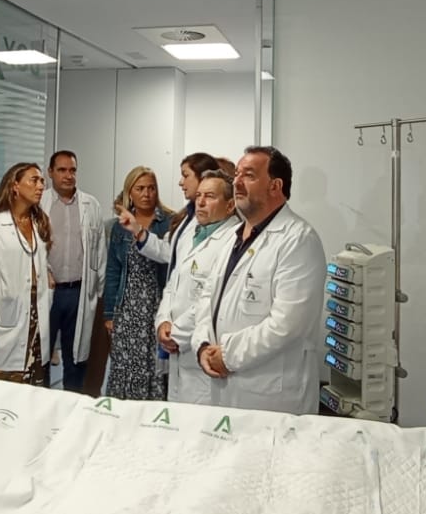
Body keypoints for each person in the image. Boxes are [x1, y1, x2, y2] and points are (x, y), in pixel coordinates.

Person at [191, 146, 328, 414]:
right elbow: (207, 298)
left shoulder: (298, 239)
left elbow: (288, 324)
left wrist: (227, 355)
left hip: (271, 395)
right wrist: (203, 346)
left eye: (249, 175)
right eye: (237, 174)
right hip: (224, 387)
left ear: (275, 186)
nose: (237, 182)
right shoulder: (233, 237)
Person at [0, 162, 54, 386]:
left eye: (42, 181)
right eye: (34, 180)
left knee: (31, 388)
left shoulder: (39, 224)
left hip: (35, 319)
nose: (40, 186)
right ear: (15, 186)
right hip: (2, 321)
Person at [160, 170, 240, 404]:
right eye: (199, 196)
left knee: (200, 418)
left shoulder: (232, 242)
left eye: (210, 196)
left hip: (200, 350)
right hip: (177, 352)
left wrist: (176, 334)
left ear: (230, 205)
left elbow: (211, 299)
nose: (201, 202)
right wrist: (163, 322)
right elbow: (172, 284)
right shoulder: (191, 235)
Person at [102, 166, 173, 400]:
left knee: (155, 363)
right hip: (128, 306)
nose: (146, 194)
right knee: (124, 362)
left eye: (151, 188)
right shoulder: (120, 226)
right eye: (140, 188)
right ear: (129, 193)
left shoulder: (169, 222)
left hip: (157, 304)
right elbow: (113, 270)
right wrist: (109, 313)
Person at [44, 150, 104, 392]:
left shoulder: (91, 205)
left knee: (75, 359)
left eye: (72, 170)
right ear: (50, 173)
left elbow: (100, 252)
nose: (68, 176)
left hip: (78, 292)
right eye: (62, 170)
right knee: (41, 355)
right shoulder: (40, 204)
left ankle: (72, 403)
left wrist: (100, 293)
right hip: (48, 292)